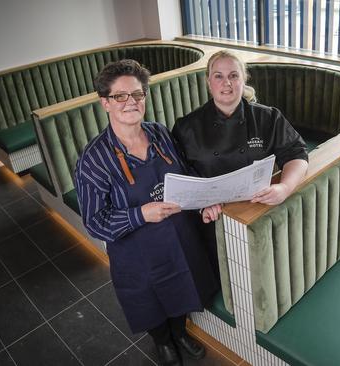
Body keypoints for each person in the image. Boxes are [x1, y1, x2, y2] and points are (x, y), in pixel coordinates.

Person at [74, 60, 217, 366]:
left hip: (180, 238)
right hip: (137, 254)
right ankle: (163, 342)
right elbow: (94, 222)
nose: (131, 102)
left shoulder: (160, 133)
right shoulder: (94, 160)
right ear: (105, 103)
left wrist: (205, 198)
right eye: (121, 96)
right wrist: (140, 215)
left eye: (138, 95)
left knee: (182, 288)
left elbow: (186, 172)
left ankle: (179, 333)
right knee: (149, 301)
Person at [172, 50, 309, 222]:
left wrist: (284, 188)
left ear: (243, 80)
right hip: (213, 216)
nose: (226, 83)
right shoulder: (186, 127)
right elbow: (178, 175)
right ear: (209, 82)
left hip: (259, 210)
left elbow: (297, 153)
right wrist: (201, 206)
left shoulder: (268, 118)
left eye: (234, 75)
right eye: (218, 76)